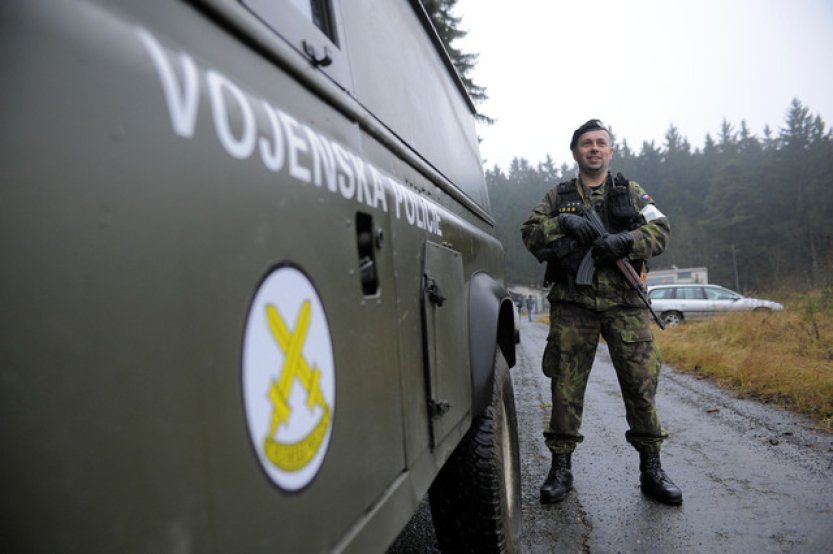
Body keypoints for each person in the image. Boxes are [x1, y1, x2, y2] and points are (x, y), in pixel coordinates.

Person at [520, 119, 682, 505]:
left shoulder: (631, 191)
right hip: (574, 305)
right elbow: (530, 232)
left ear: (610, 151)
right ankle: (560, 468)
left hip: (625, 305)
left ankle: (651, 468)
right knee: (565, 387)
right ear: (575, 151)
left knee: (641, 385)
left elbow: (660, 230)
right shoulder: (558, 196)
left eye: (601, 143)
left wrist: (626, 240)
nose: (594, 149)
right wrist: (563, 222)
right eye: (586, 144)